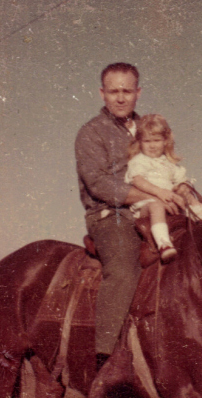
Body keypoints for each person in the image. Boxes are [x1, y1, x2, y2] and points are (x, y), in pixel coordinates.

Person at [74, 63, 180, 369]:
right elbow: (99, 183)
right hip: (112, 216)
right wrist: (155, 196)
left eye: (127, 91)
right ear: (102, 93)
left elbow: (167, 165)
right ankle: (104, 358)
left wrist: (177, 190)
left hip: (154, 208)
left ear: (138, 93)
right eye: (113, 91)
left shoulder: (150, 130)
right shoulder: (91, 133)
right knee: (123, 269)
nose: (120, 98)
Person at [125, 114, 202, 262]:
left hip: (169, 200)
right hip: (146, 205)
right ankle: (164, 243)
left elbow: (180, 180)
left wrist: (183, 187)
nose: (152, 145)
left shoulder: (168, 163)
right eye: (147, 141)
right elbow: (138, 181)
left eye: (157, 140)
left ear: (165, 141)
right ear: (139, 142)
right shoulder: (139, 161)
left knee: (190, 199)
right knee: (156, 205)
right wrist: (159, 192)